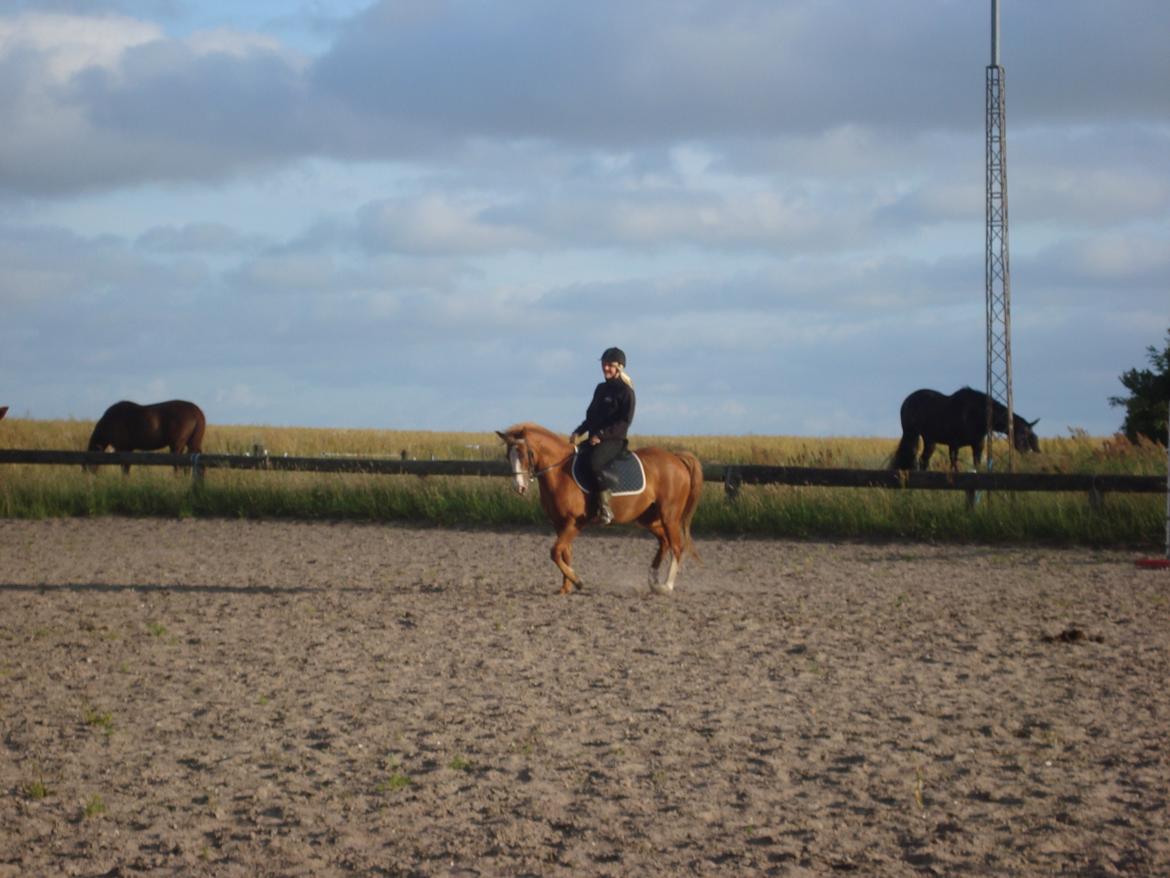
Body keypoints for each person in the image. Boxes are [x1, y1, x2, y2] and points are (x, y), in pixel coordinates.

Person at [570, 347, 636, 525]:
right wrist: (579, 431)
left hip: (614, 441)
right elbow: (591, 417)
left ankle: (605, 508)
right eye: (604, 365)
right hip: (593, 438)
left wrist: (601, 435)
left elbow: (624, 423)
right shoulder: (600, 389)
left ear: (619, 368)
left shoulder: (626, 392)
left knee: (595, 462)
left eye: (610, 365)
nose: (605, 368)